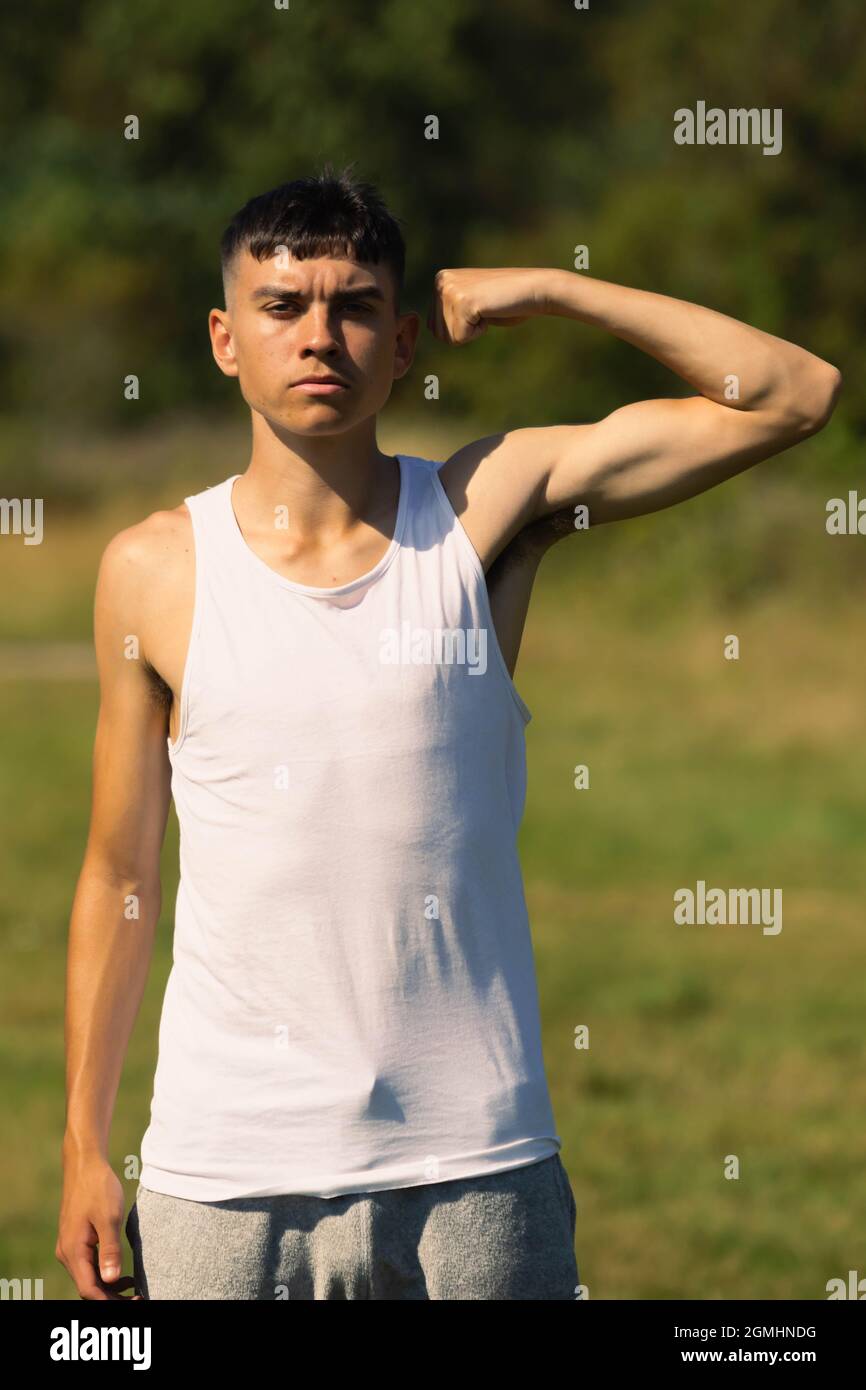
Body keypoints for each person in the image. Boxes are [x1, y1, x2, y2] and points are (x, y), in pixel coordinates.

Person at [56, 165, 841, 1301]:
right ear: (225, 339)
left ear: (405, 338)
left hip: (475, 1168)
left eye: (356, 305)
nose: (319, 334)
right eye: (283, 307)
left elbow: (791, 394)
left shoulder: (485, 508)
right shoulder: (150, 570)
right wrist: (84, 1143)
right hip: (223, 1173)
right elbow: (118, 873)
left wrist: (556, 293)